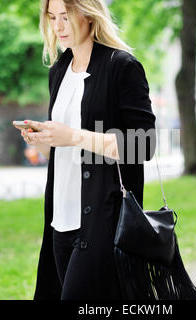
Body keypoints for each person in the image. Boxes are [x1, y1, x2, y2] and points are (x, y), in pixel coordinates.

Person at [16, 0, 156, 300]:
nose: (58, 26)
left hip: (103, 222)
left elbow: (144, 144)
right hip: (59, 220)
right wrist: (46, 142)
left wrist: (73, 136)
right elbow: (68, 152)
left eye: (66, 16)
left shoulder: (122, 66)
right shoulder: (59, 70)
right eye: (52, 17)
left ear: (88, 15)